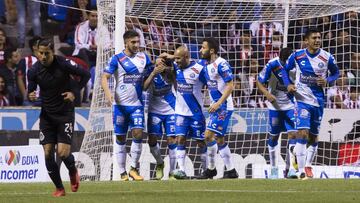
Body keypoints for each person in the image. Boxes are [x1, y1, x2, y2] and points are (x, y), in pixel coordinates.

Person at [27, 38, 90, 197]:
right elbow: (31, 90)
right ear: (36, 52)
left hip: (64, 114)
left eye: (46, 53)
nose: (43, 57)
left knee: (62, 153)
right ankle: (60, 188)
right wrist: (31, 95)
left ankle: (72, 170)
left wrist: (74, 93)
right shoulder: (33, 71)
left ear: (53, 52)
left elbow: (86, 74)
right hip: (47, 115)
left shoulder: (64, 64)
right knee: (48, 153)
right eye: (40, 53)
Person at [282, 27, 340, 179]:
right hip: (301, 100)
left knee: (313, 137)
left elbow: (336, 73)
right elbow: (284, 71)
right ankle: (302, 170)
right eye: (314, 38)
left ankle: (306, 162)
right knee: (302, 132)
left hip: (318, 101)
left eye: (319, 38)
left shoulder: (327, 57)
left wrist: (327, 80)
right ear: (306, 41)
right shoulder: (297, 56)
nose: (317, 40)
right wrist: (288, 84)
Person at [101, 30, 152, 181]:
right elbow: (104, 77)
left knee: (138, 133)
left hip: (137, 104)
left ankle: (134, 169)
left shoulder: (144, 58)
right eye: (133, 42)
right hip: (120, 106)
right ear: (126, 43)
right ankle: (122, 172)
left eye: (138, 42)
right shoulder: (116, 59)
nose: (137, 45)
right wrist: (108, 93)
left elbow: (150, 73)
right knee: (121, 137)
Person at [158, 46, 208, 179]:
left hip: (196, 113)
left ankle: (206, 171)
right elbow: (162, 62)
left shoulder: (199, 69)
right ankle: (181, 170)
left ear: (187, 57)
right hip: (180, 113)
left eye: (179, 58)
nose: (177, 61)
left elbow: (211, 83)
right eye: (175, 58)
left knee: (201, 142)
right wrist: (166, 59)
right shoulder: (175, 66)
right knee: (180, 139)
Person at [198, 37, 238, 179]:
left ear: (212, 50)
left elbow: (230, 85)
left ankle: (211, 169)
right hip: (218, 106)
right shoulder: (205, 64)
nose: (201, 50)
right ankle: (231, 170)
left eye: (203, 47)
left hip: (224, 106)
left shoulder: (222, 64)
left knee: (208, 135)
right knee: (219, 139)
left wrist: (218, 103)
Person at [257, 47, 298, 179]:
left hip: (290, 105)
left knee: (293, 135)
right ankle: (274, 169)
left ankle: (291, 169)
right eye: (283, 61)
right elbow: (259, 81)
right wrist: (267, 94)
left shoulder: (296, 66)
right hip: (274, 106)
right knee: (274, 137)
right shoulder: (272, 64)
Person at [143, 57, 177, 180]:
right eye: (157, 62)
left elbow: (177, 63)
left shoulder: (171, 72)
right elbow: (144, 87)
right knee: (151, 140)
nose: (159, 65)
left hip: (171, 109)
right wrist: (153, 73)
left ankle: (172, 172)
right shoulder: (151, 71)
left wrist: (168, 67)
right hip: (154, 110)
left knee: (172, 140)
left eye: (162, 62)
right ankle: (160, 163)